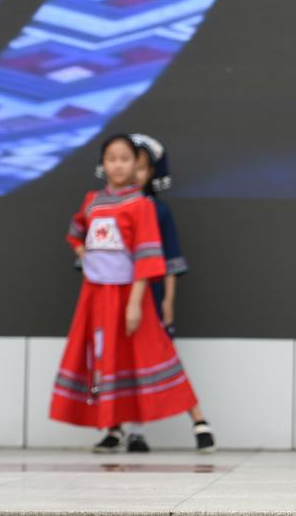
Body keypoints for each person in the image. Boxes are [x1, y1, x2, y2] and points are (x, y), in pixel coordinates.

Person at [50, 134, 214, 454]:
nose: (119, 165)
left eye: (126, 159)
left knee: (154, 355)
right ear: (103, 164)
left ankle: (196, 422)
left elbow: (148, 256)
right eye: (112, 158)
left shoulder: (143, 206)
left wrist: (140, 302)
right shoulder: (92, 201)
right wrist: (85, 255)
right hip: (97, 295)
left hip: (132, 295)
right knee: (104, 357)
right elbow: (76, 232)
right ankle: (112, 427)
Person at [130, 132, 216, 453]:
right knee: (112, 365)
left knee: (163, 359)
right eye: (122, 162)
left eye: (139, 166)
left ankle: (199, 420)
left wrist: (167, 300)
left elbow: (169, 260)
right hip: (114, 296)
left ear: (152, 172)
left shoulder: (157, 211)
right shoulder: (101, 208)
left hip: (149, 296)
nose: (130, 172)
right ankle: (122, 429)